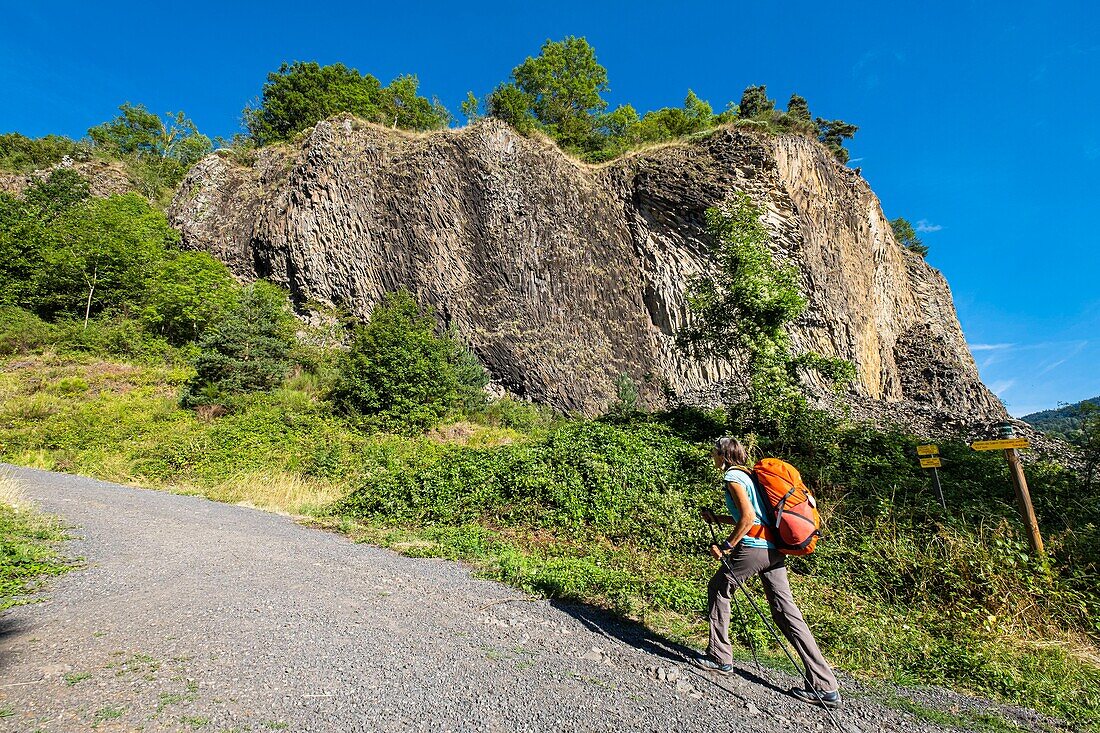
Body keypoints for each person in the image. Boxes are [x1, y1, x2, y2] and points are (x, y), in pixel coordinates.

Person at [694, 436, 841, 709]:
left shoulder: (733, 477)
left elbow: (748, 518)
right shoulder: (750, 476)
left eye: (714, 453)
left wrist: (726, 546)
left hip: (753, 548)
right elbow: (754, 515)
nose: (712, 458)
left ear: (723, 455)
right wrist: (718, 518)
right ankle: (825, 685)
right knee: (786, 612)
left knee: (718, 588)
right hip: (774, 549)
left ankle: (719, 658)